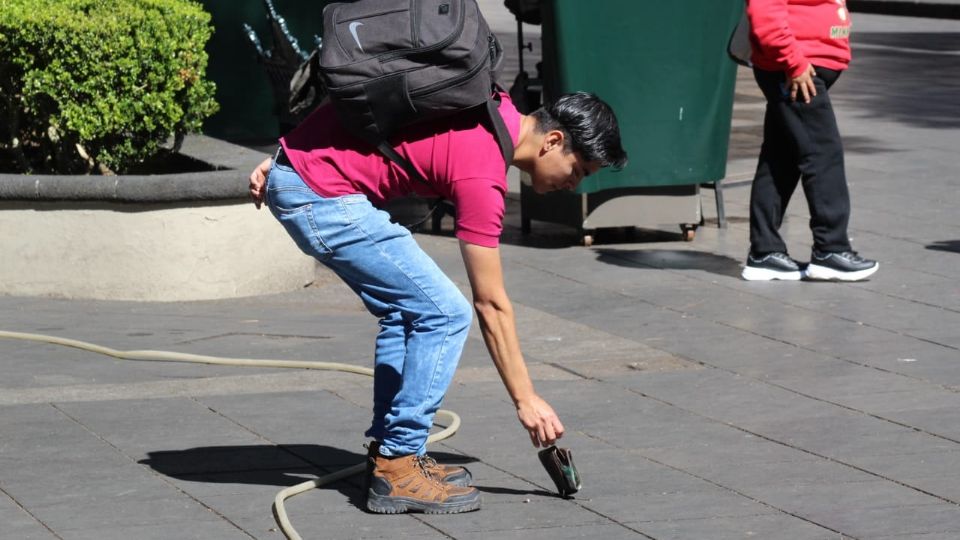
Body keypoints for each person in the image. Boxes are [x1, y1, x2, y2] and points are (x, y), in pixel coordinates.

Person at [248, 91, 626, 514]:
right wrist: (526, 399)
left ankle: (392, 453)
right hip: (322, 197)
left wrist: (290, 157)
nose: (574, 184)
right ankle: (398, 466)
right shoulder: (483, 176)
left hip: (306, 179)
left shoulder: (489, 102)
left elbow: (372, 103)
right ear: (553, 141)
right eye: (579, 170)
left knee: (406, 312)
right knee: (445, 313)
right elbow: (491, 305)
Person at [741, 0, 878, 281]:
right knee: (823, 154)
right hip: (796, 71)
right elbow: (765, 12)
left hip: (802, 68)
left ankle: (764, 253)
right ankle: (831, 249)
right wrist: (793, 62)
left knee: (781, 159)